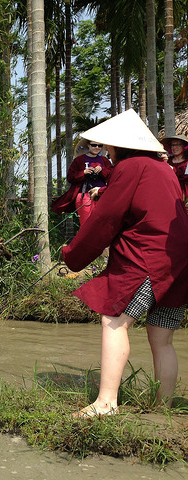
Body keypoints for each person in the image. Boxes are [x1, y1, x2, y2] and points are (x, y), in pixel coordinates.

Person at [62, 109, 188, 417]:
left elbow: (106, 219)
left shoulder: (130, 167)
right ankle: (163, 409)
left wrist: (72, 255)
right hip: (180, 258)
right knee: (162, 336)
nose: (108, 151)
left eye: (110, 146)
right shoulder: (162, 169)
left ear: (120, 146)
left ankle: (106, 403)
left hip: (149, 257)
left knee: (114, 320)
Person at [51, 138, 113, 225]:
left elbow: (112, 176)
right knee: (86, 224)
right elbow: (70, 177)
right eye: (94, 145)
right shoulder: (79, 160)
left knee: (102, 223)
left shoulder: (104, 160)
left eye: (100, 146)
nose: (97, 147)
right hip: (84, 195)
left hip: (101, 194)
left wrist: (102, 170)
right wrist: (84, 173)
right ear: (88, 145)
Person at [160, 134, 188, 204]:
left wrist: (173, 170)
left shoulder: (187, 162)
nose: (174, 147)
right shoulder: (167, 161)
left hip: (184, 196)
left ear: (184, 147)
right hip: (169, 194)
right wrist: (163, 164)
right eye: (172, 145)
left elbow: (185, 177)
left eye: (177, 145)